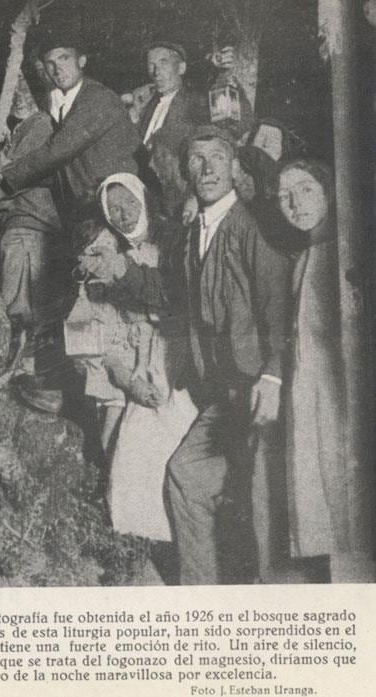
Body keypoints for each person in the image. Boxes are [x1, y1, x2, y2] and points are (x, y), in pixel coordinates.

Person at [80, 126, 293, 584]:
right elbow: (166, 291)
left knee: (262, 502)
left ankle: (267, 594)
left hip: (257, 388)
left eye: (218, 157)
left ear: (235, 166)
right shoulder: (191, 233)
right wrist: (118, 268)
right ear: (186, 172)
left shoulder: (253, 226)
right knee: (184, 475)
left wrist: (273, 378)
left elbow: (278, 308)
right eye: (197, 160)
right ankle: (201, 598)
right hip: (222, 393)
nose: (209, 167)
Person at [1, 28, 140, 408]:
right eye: (49, 63)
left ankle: (117, 396)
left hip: (114, 217)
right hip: (87, 221)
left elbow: (58, 151)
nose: (56, 68)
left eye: (63, 58)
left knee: (112, 305)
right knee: (85, 308)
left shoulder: (97, 99)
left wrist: (4, 178)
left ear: (81, 61)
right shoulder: (62, 106)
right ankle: (89, 396)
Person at [277, 159, 371, 582]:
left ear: (330, 191)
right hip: (310, 392)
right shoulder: (303, 256)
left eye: (306, 189)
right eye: (285, 196)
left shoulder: (344, 253)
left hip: (339, 397)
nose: (295, 203)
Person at [94, 173, 197, 553]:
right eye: (113, 209)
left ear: (143, 199)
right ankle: (145, 543)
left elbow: (175, 294)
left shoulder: (172, 237)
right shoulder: (108, 251)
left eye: (128, 203)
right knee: (133, 451)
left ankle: (186, 537)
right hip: (145, 356)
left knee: (178, 435)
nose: (122, 214)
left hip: (180, 348)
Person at [0, 74, 62, 343]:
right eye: (12, 91)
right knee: (26, 306)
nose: (19, 97)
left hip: (30, 222)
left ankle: (23, 369)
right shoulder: (22, 128)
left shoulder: (39, 124)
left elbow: (15, 175)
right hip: (23, 220)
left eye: (25, 90)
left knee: (21, 307)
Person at [137, 41, 208, 217]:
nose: (156, 72)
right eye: (151, 65)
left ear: (181, 68)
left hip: (177, 199)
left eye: (163, 63)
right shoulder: (148, 105)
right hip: (144, 194)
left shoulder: (196, 104)